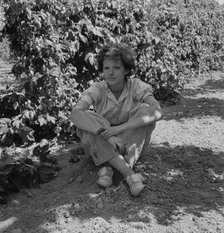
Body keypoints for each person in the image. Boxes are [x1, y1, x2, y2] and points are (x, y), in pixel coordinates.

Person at [69, 43, 163, 196]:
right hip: (105, 140)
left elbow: (158, 111)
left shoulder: (136, 86)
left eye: (116, 68)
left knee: (144, 111)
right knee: (88, 118)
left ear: (126, 70)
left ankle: (108, 168)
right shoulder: (98, 88)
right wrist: (107, 134)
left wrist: (120, 128)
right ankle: (129, 175)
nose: (110, 73)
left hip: (130, 140)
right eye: (106, 68)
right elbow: (75, 114)